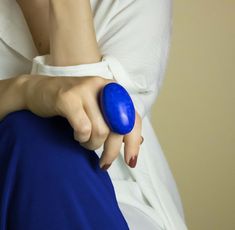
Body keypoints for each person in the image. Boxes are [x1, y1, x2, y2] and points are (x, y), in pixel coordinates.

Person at [0, 0, 188, 229]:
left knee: (41, 140)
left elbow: (99, 133)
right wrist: (24, 91)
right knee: (28, 132)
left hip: (114, 193)